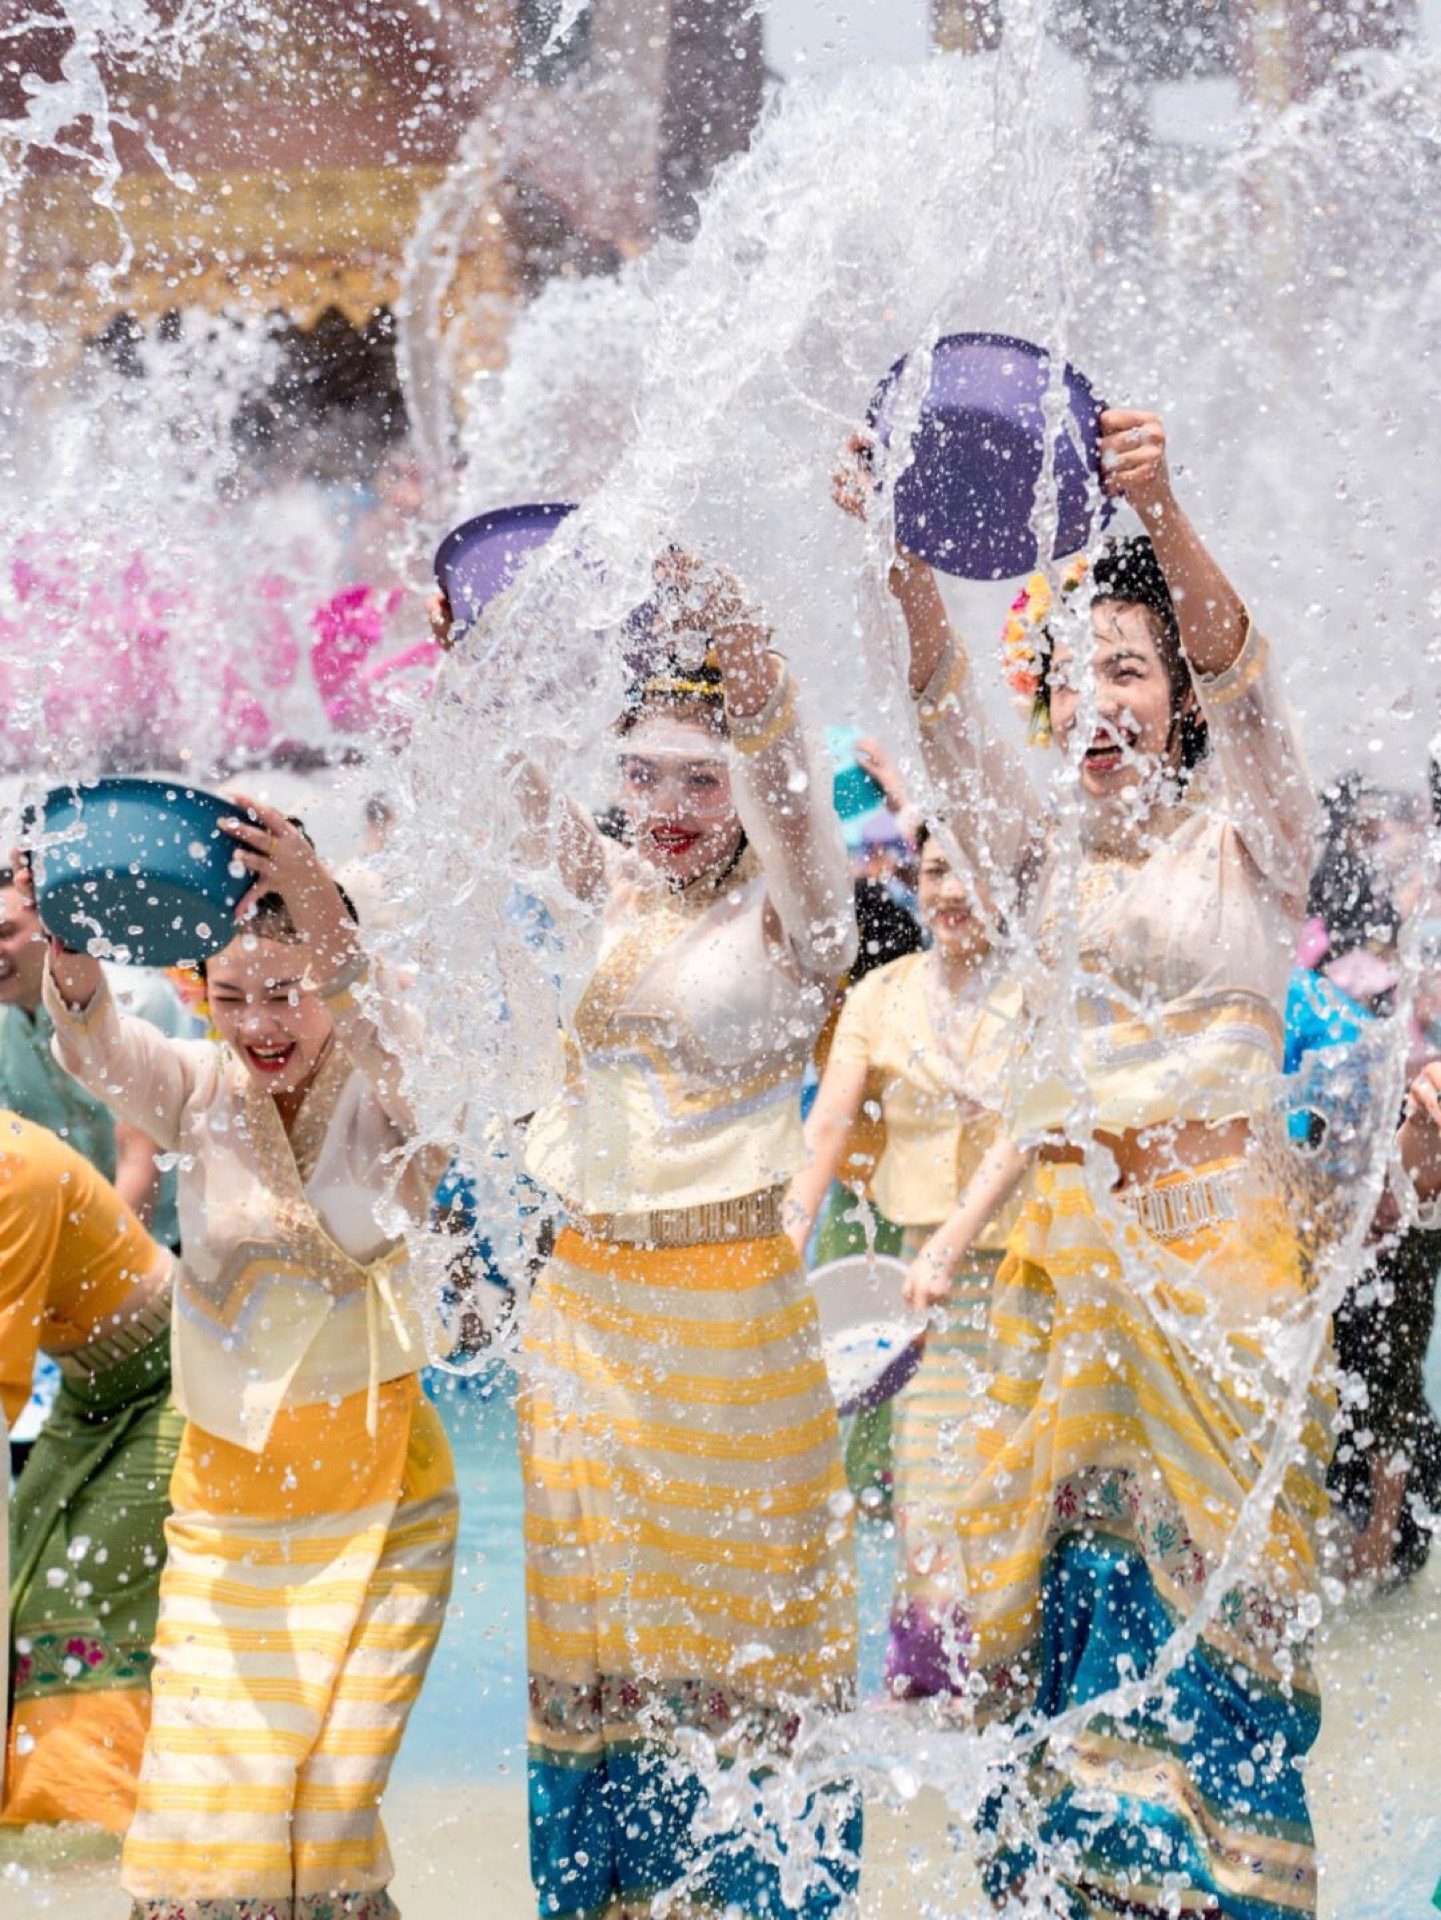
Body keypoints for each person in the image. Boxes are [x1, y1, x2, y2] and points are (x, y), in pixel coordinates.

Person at [842, 408, 1331, 1915]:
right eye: (1074, 674)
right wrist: (907, 569)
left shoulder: (1257, 835)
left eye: (1130, 669)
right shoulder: (1038, 855)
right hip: (1061, 1266)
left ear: (1176, 699)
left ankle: (1229, 1894)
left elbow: (1246, 674)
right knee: (1064, 1609)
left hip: (1220, 1259)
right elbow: (938, 727)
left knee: (1218, 1609)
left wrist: (1162, 505)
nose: (1100, 700)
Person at [447, 553, 860, 1919]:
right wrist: (476, 663)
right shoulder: (611, 892)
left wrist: (756, 675)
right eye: (647, 776)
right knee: (596, 1653)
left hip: (732, 1323)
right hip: (583, 1329)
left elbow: (797, 798)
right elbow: (515, 806)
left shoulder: (801, 924)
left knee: (749, 1647)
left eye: (705, 779)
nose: (672, 810)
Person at [43, 801, 456, 1920]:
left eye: (286, 993)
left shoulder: (391, 1095)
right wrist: (72, 966)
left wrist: (334, 935)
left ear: (330, 978)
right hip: (227, 1507)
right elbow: (104, 1054)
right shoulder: (195, 1088)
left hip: (383, 1501)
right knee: (206, 1810)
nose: (261, 1023)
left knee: (328, 1815)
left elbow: (422, 1089)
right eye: (231, 998)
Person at [785, 822, 1023, 1695]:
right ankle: (930, 1712)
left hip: (1035, 1277)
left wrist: (956, 1240)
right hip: (927, 1291)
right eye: (933, 872)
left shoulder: (1039, 989)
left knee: (1028, 1504)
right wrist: (787, 1239)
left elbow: (1033, 1126)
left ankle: (1030, 1703)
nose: (951, 892)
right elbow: (829, 1124)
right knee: (926, 1501)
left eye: (971, 871)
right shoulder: (878, 996)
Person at [0, 1113, 174, 1829]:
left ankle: (98, 1842)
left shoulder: (13, 1174)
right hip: (87, 1395)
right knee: (23, 1596)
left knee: (57, 1612)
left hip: (180, 1386)